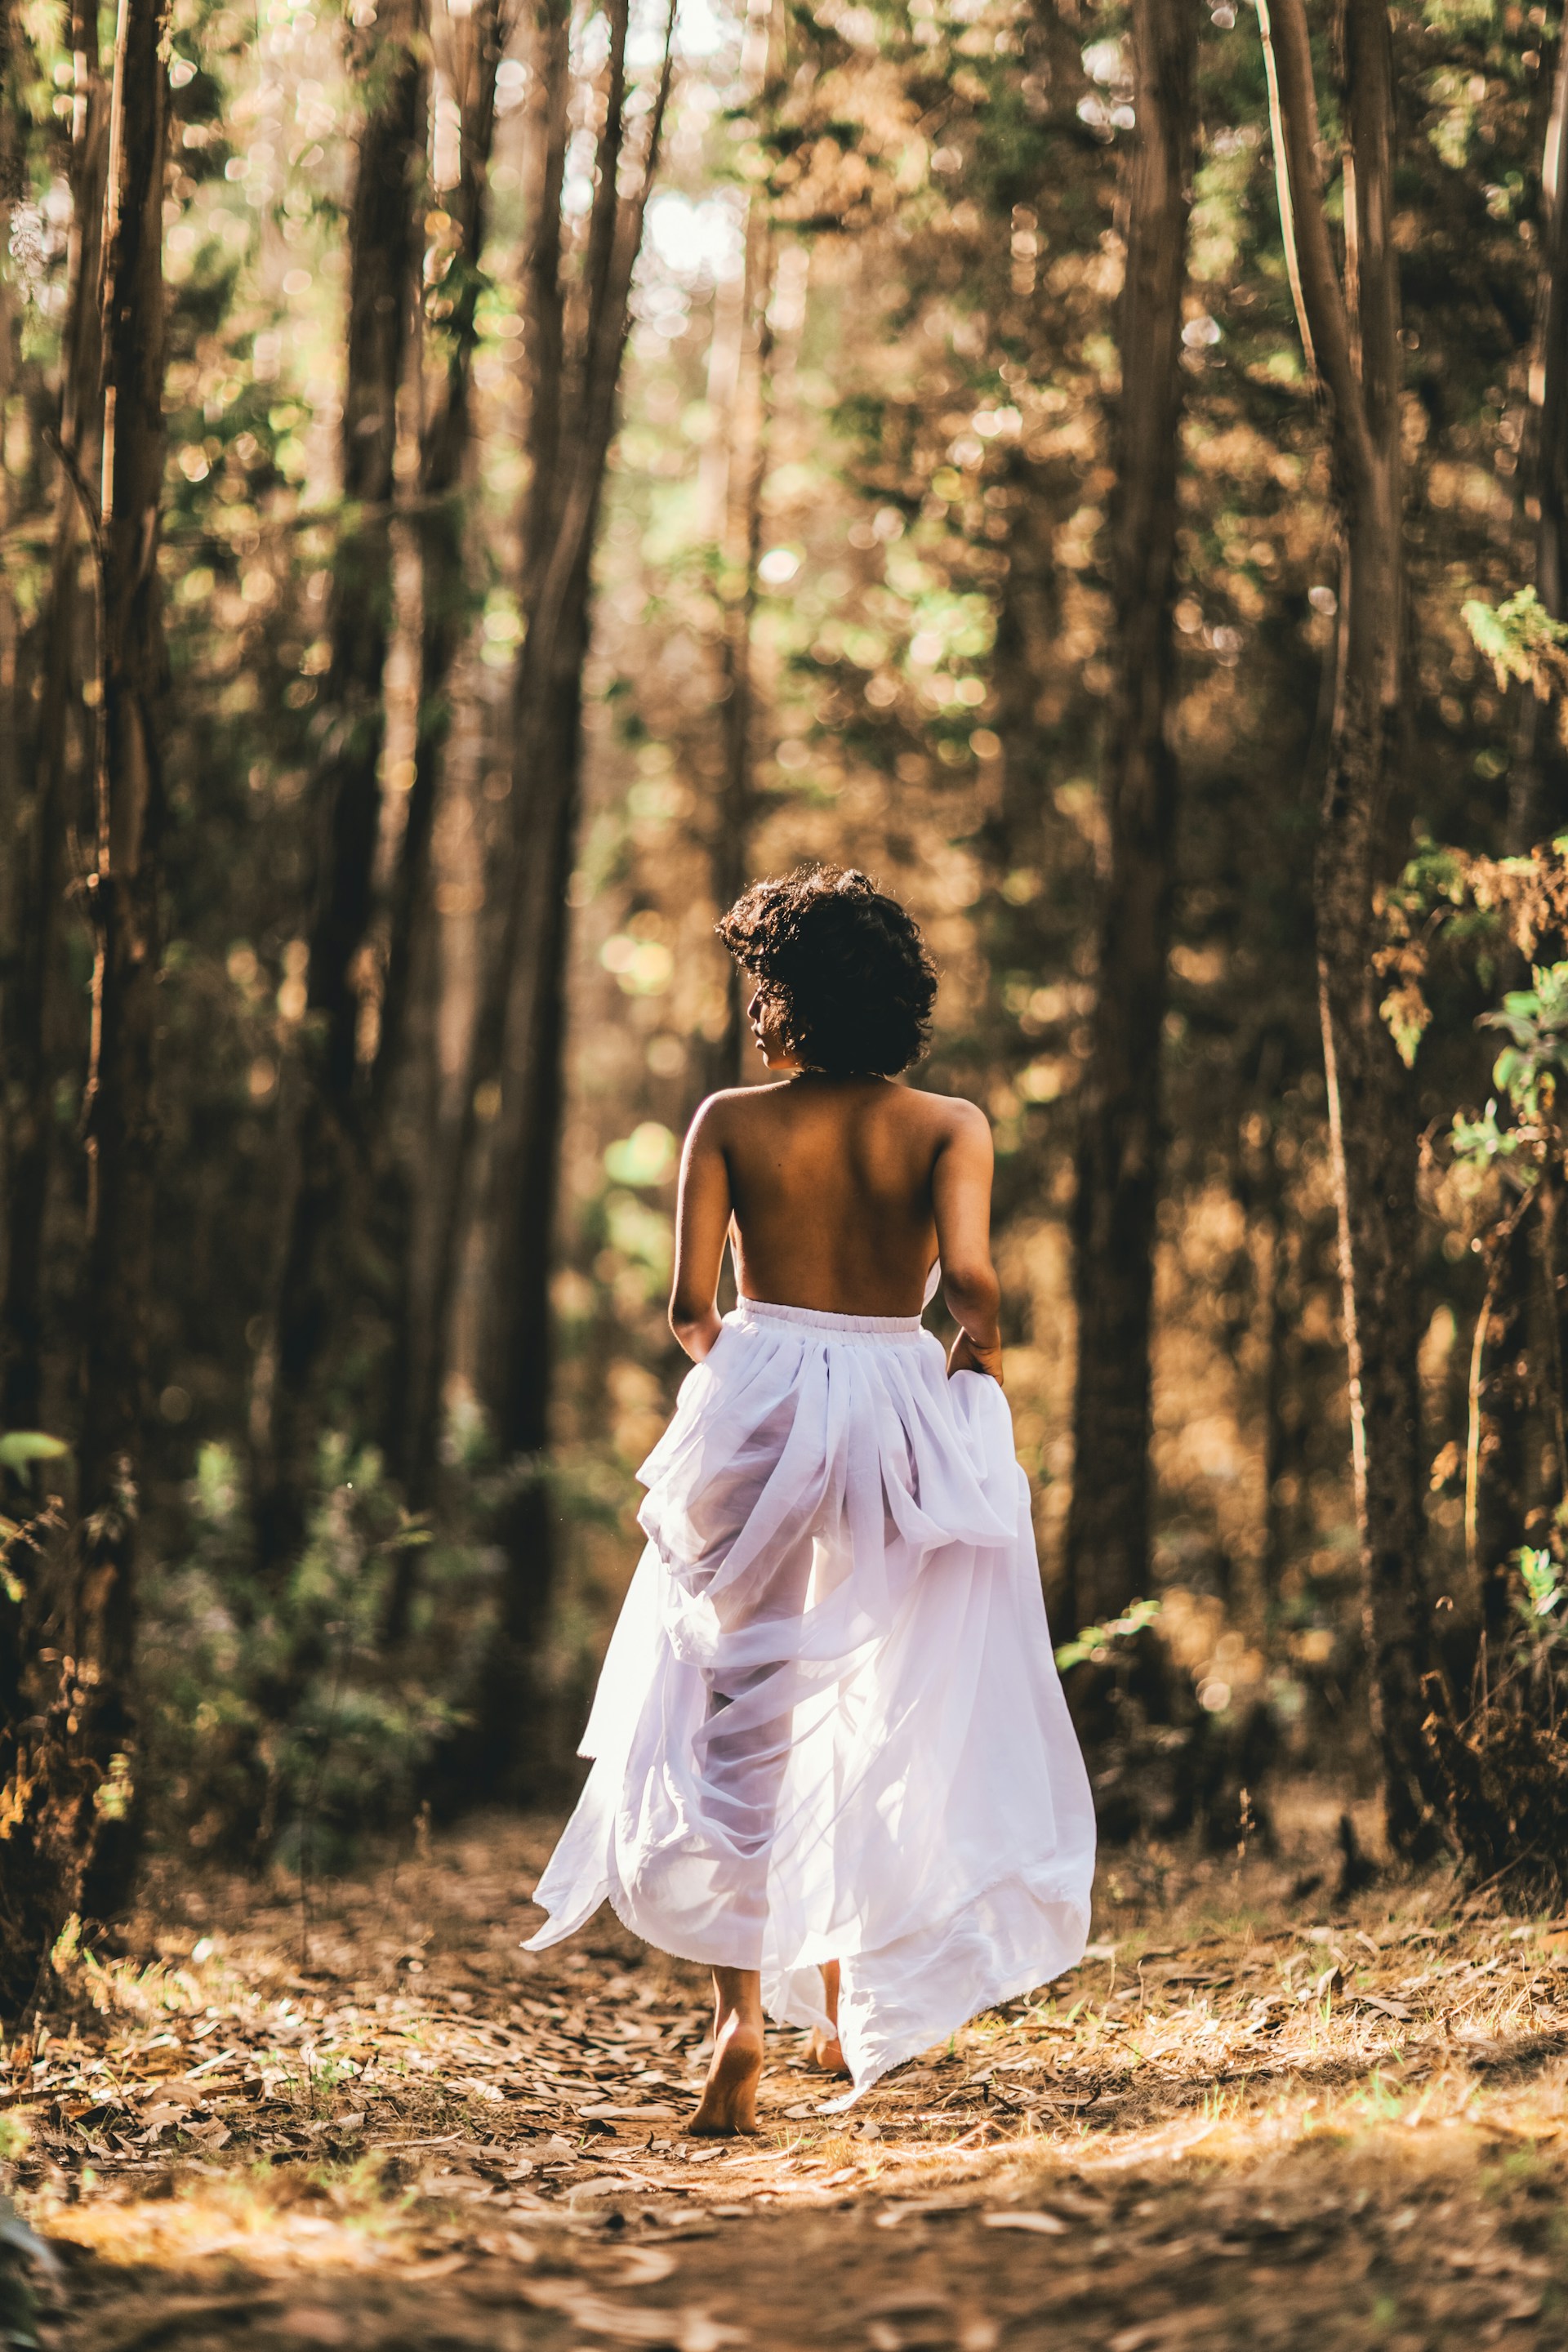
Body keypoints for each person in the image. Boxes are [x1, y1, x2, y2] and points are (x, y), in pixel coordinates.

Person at [523, 864, 1094, 2133]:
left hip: (761, 1386)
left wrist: (760, 1382)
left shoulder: (728, 1119)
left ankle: (737, 2021)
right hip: (895, 1395)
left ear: (796, 1000)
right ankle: (838, 2002)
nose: (752, 1015)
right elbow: (979, 1290)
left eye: (761, 988)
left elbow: (688, 1312)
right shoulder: (951, 1125)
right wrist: (967, 1379)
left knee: (746, 1697)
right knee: (878, 1688)